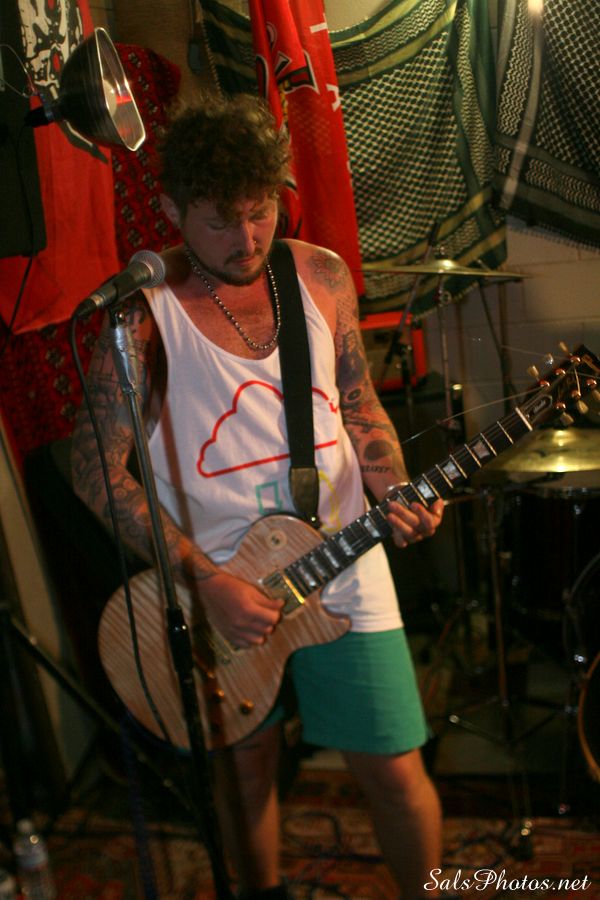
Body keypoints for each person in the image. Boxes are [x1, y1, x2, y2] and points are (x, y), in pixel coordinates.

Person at [71, 92, 445, 899]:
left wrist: (393, 485)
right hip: (218, 584)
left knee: (393, 765)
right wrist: (205, 581)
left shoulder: (319, 275)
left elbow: (358, 403)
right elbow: (94, 470)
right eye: (219, 222)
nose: (246, 240)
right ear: (172, 210)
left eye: (260, 212)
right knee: (245, 774)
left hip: (342, 558)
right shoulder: (140, 316)